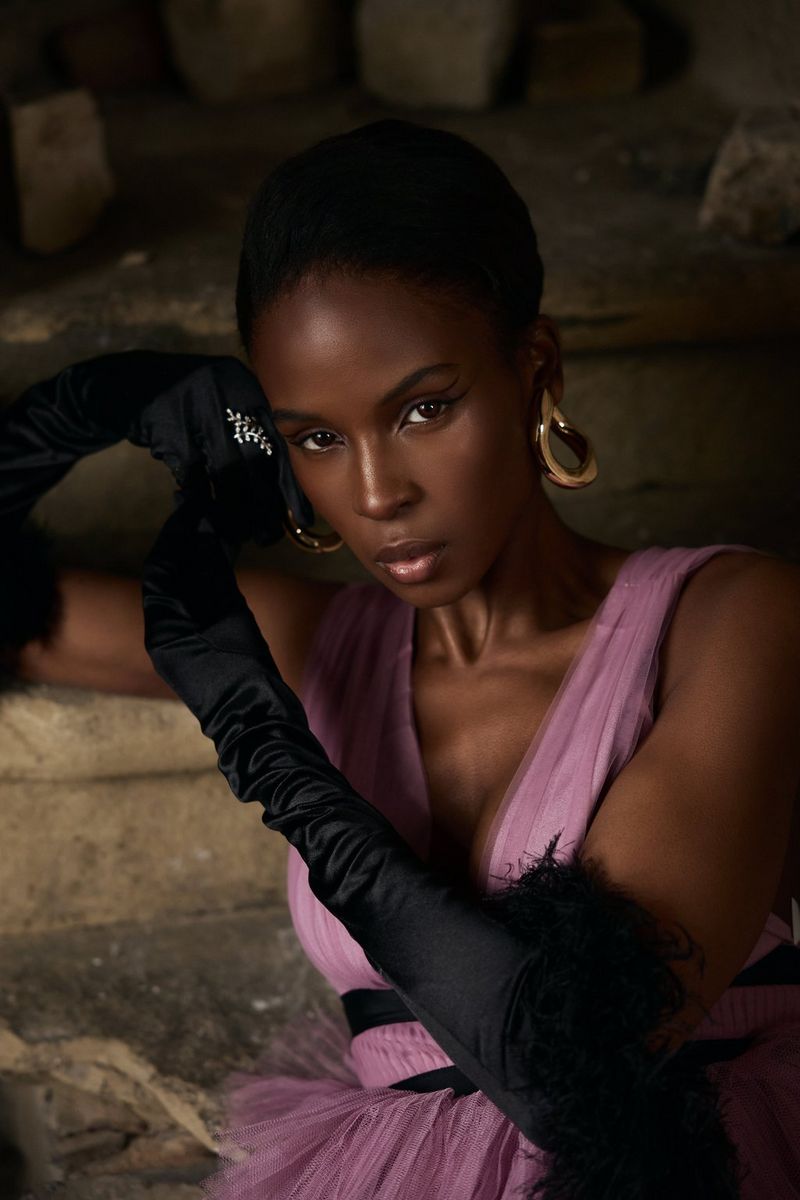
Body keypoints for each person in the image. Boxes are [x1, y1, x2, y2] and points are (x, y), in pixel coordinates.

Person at [2, 119, 799, 1198]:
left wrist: (265, 748)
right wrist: (98, 400)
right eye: (317, 438)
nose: (377, 494)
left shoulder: (731, 619)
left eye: (423, 408)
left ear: (535, 369)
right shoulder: (324, 641)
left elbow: (569, 1064)